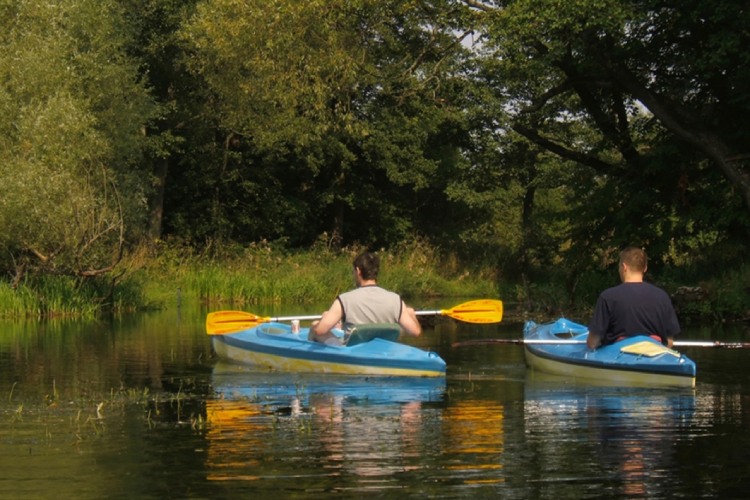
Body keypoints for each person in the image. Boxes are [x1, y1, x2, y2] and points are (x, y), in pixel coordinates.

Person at [309, 251, 422, 345]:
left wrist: (325, 319)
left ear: (358, 271)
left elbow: (320, 331)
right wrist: (412, 315)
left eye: (353, 271)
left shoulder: (345, 299)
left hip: (352, 354)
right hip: (383, 352)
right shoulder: (396, 299)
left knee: (315, 327)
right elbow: (415, 332)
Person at [587, 246, 680, 350]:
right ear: (645, 268)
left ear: (624, 267)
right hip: (654, 354)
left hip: (619, 354)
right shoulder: (662, 296)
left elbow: (593, 343)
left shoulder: (607, 297)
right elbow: (669, 342)